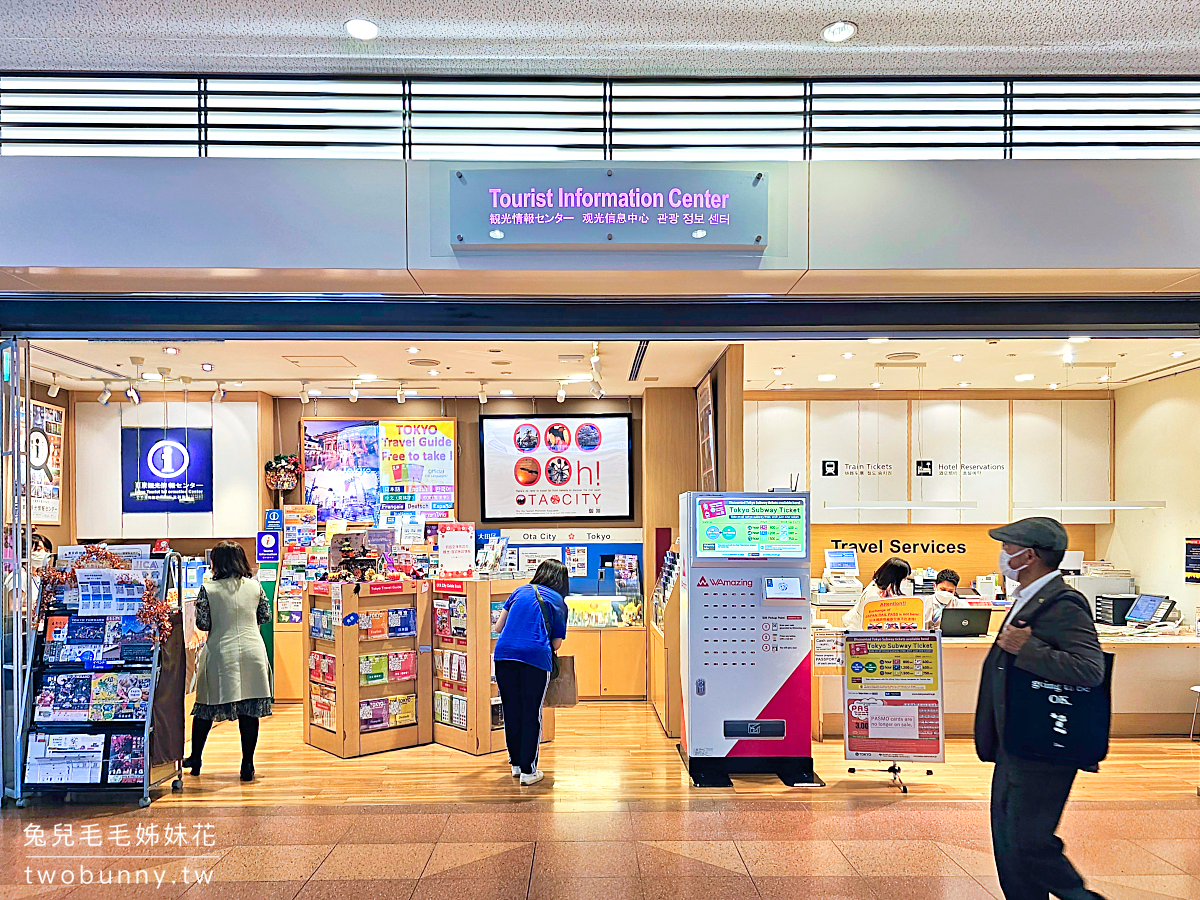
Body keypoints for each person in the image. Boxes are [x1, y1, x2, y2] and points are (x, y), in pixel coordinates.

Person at [976, 517, 1107, 900]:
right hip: (1016, 741)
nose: (1003, 555)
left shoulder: (1064, 603)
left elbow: (1089, 668)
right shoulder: (1029, 596)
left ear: (1028, 555)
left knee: (1028, 842)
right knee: (1009, 846)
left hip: (1044, 745)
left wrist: (1026, 648)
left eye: (1007, 548)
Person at [183, 540, 273, 782]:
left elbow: (203, 624)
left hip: (222, 651)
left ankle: (195, 758)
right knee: (249, 710)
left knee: (205, 706)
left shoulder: (209, 589)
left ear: (217, 563)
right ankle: (247, 765)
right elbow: (264, 615)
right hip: (253, 651)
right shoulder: (255, 587)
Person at [492, 558, 568, 786]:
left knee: (511, 710)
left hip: (503, 656)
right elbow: (555, 644)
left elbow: (498, 627)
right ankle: (529, 771)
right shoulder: (558, 601)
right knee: (531, 712)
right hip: (534, 659)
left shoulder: (519, 591)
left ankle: (516, 764)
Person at [841, 557, 911, 630]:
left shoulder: (885, 589)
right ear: (895, 578)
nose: (905, 581)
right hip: (860, 632)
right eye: (904, 579)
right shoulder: (873, 595)